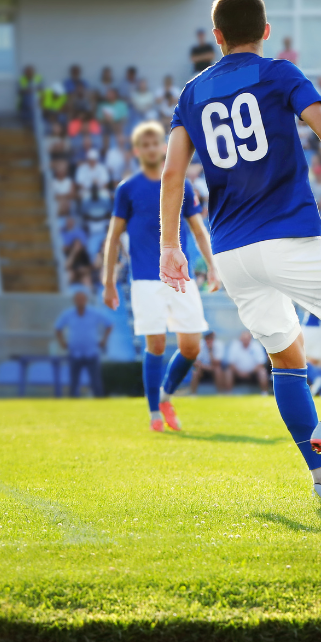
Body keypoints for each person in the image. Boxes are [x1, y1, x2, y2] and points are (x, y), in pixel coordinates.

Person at [161, 0, 321, 498]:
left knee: (287, 361)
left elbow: (172, 176)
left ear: (217, 37)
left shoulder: (192, 93)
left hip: (231, 253)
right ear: (266, 31)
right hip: (286, 235)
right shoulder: (280, 73)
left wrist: (169, 244)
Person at [103, 120, 219, 431]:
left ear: (165, 147)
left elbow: (198, 230)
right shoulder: (127, 189)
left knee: (192, 346)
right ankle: (154, 412)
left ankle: (165, 395)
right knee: (155, 344)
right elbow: (114, 236)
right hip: (144, 279)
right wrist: (108, 281)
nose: (153, 148)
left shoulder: (183, 184)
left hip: (180, 278)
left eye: (158, 143)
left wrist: (212, 265)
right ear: (137, 150)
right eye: (147, 144)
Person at [54, 288, 112, 398]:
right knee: (74, 383)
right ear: (74, 301)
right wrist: (62, 342)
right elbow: (58, 328)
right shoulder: (68, 314)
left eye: (82, 299)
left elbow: (109, 324)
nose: (80, 301)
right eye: (78, 299)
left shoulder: (94, 313)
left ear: (86, 300)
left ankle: (101, 406)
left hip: (91, 352)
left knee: (96, 382)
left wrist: (104, 340)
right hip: (75, 353)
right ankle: (72, 407)